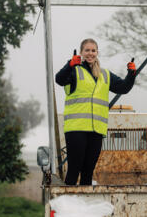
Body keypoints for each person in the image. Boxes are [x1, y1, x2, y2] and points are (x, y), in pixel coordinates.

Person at [55, 38, 137, 185]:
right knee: (74, 169)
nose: (90, 53)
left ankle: (85, 205)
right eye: (87, 50)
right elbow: (59, 79)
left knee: (88, 171)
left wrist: (131, 74)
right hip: (77, 129)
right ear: (81, 52)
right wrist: (69, 65)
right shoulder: (75, 70)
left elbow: (123, 88)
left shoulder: (105, 74)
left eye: (93, 50)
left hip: (96, 130)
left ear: (97, 53)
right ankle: (67, 205)